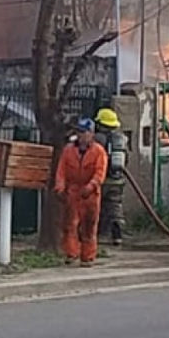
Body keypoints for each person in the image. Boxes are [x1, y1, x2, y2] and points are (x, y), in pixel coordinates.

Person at [54, 118, 108, 266]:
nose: (80, 135)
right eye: (78, 132)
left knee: (89, 227)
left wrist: (91, 187)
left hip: (90, 194)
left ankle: (88, 256)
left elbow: (100, 173)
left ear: (91, 134)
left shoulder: (99, 152)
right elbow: (61, 171)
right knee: (69, 224)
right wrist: (60, 187)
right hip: (72, 192)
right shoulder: (68, 150)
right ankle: (71, 254)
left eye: (83, 132)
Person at [94, 107, 128, 246]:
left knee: (97, 206)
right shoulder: (121, 138)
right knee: (115, 206)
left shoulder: (97, 139)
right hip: (118, 179)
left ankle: (97, 235)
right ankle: (117, 234)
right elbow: (127, 158)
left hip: (101, 178)